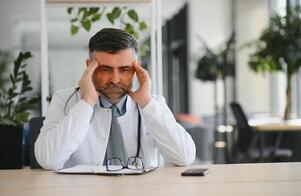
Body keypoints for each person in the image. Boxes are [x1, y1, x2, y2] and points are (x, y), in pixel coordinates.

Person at [35, 28, 196, 170]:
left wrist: (147, 104)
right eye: (105, 69)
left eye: (124, 69)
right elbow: (48, 160)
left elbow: (185, 157)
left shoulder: (152, 103)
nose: (115, 79)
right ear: (89, 66)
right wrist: (86, 103)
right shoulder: (65, 100)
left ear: (137, 68)